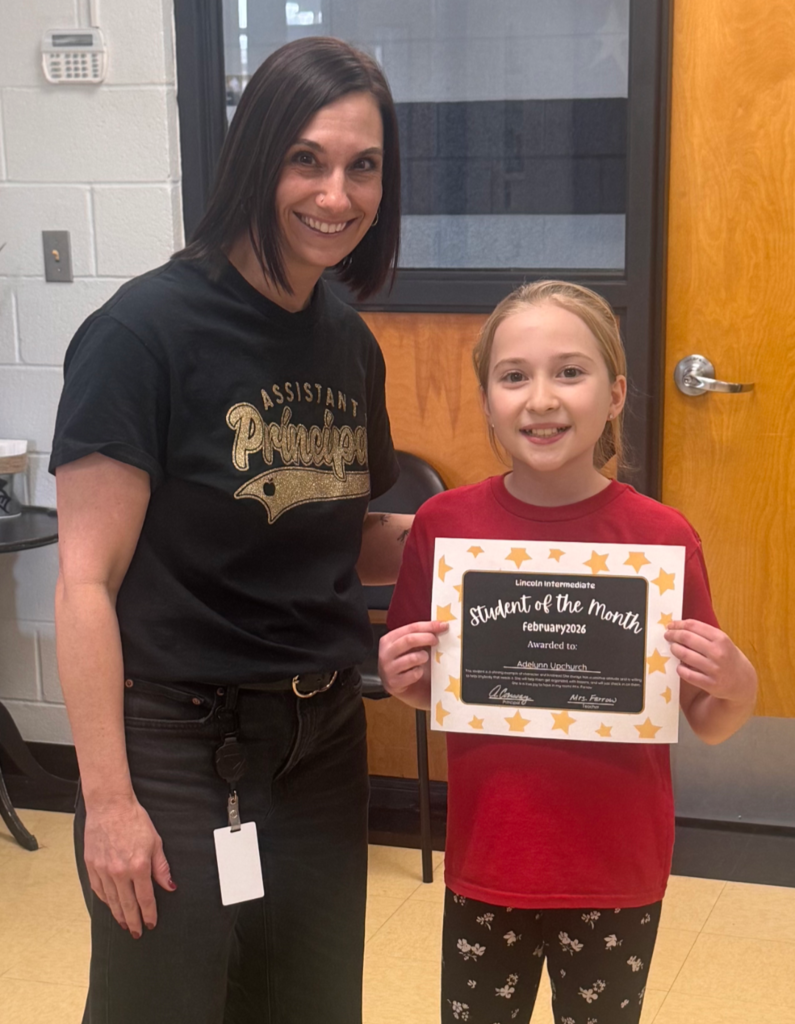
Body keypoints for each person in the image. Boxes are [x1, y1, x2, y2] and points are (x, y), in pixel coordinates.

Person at [51, 37, 409, 1024]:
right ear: (256, 157)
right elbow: (85, 579)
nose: (336, 194)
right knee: (163, 1003)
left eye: (363, 166)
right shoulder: (143, 334)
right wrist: (111, 803)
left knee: (308, 1002)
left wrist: (494, 543)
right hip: (174, 740)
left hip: (320, 736)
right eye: (307, 159)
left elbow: (347, 531)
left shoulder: (346, 337)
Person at [379, 281, 758, 1024]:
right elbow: (438, 686)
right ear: (487, 397)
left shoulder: (661, 537)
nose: (540, 398)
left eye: (569, 372)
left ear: (614, 394)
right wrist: (404, 681)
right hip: (490, 857)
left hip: (616, 865)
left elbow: (707, 719)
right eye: (513, 375)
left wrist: (738, 684)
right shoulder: (444, 525)